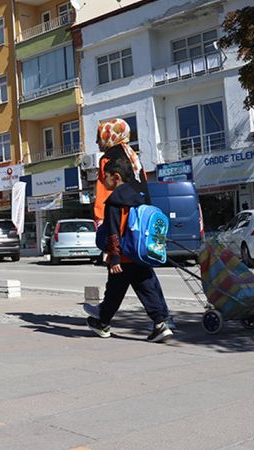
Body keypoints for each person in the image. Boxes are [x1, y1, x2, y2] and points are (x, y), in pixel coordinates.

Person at [88, 118, 174, 328]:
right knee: (144, 276)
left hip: (121, 222)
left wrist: (101, 222)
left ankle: (104, 317)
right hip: (140, 218)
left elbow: (104, 193)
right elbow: (144, 189)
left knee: (121, 275)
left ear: (109, 136)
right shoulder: (134, 156)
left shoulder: (109, 158)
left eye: (100, 138)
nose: (98, 144)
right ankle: (162, 318)